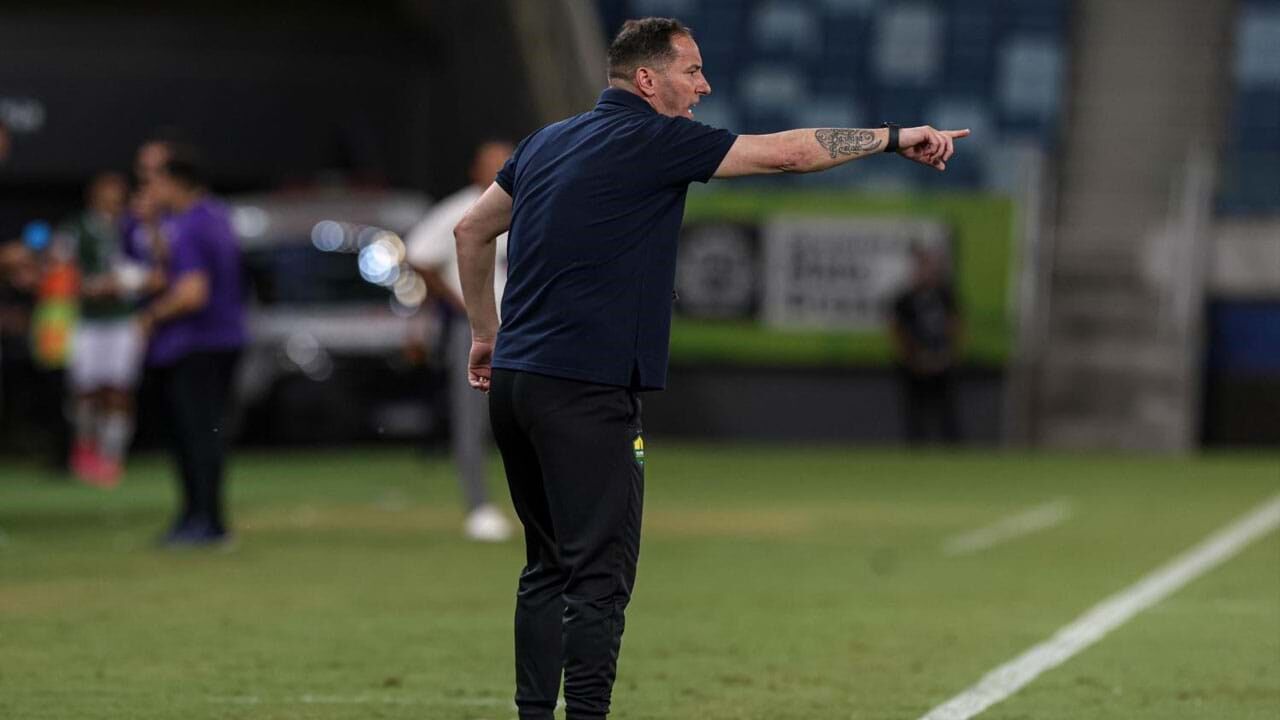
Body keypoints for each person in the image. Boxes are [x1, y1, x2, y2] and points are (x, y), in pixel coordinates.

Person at [454, 17, 970, 720]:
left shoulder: (546, 141)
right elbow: (788, 154)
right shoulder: (652, 139)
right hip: (586, 389)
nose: (704, 86)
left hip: (517, 384)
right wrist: (894, 137)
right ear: (647, 80)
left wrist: (486, 334)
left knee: (545, 568)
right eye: (691, 71)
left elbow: (471, 230)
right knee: (599, 577)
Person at [406, 141, 516, 542]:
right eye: (491, 164)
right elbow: (418, 256)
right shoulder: (460, 208)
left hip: (524, 329)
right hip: (475, 329)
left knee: (531, 416)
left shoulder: (530, 203)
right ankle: (478, 506)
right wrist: (461, 302)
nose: (499, 169)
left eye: (505, 162)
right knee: (472, 418)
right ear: (474, 170)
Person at [137, 148, 246, 546]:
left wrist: (149, 317)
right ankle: (198, 518)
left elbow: (192, 292)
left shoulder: (190, 225)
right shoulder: (215, 216)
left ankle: (204, 520)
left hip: (195, 342)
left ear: (174, 182)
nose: (149, 189)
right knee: (204, 433)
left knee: (194, 436)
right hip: (223, 337)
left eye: (154, 180)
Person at [62, 172, 154, 486]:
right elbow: (60, 266)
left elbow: (150, 269)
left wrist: (124, 282)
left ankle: (112, 455)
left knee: (119, 387)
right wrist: (84, 286)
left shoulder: (134, 227)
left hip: (122, 319)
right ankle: (84, 449)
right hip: (87, 320)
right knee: (85, 388)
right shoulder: (77, 228)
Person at [891, 246, 963, 444]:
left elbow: (956, 325)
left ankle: (953, 450)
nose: (925, 272)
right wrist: (913, 357)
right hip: (914, 364)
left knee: (946, 411)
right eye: (921, 267)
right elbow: (897, 331)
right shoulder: (904, 299)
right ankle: (916, 449)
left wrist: (948, 355)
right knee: (915, 411)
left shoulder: (945, 295)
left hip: (942, 362)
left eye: (928, 267)